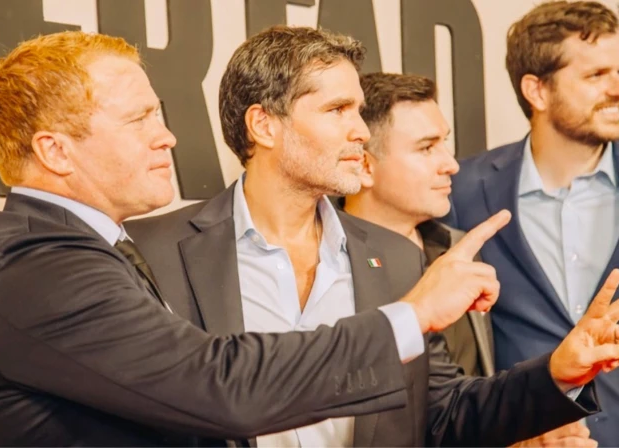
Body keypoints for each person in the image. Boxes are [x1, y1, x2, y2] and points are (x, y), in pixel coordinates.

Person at [0, 30, 511, 447]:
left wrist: (550, 377)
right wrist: (412, 315)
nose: (167, 137)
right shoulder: (39, 261)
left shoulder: (76, 248)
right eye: (139, 119)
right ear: (55, 151)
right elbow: (220, 385)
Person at [126, 25, 616, 447]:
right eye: (337, 109)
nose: (360, 131)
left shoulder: (397, 258)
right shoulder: (153, 253)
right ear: (264, 125)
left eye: (358, 110)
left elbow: (443, 415)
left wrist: (555, 372)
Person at [343, 71, 595, 447]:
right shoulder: (325, 266)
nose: (451, 164)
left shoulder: (457, 250)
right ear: (365, 165)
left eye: (444, 143)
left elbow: (454, 409)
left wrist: (523, 439)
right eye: (426, 148)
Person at [442, 2, 619, 445]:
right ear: (536, 91)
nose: (616, 87)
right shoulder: (462, 193)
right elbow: (453, 356)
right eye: (596, 75)